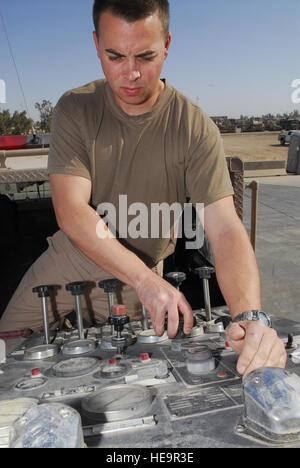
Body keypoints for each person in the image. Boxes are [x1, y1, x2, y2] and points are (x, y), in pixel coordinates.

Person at [0, 0, 286, 377]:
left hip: (141, 267)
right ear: (95, 44)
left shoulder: (194, 127)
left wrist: (251, 317)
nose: (131, 73)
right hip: (75, 253)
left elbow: (225, 227)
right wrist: (147, 280)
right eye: (115, 56)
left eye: (146, 56)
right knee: (7, 345)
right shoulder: (76, 108)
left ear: (167, 44)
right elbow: (71, 210)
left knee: (128, 369)